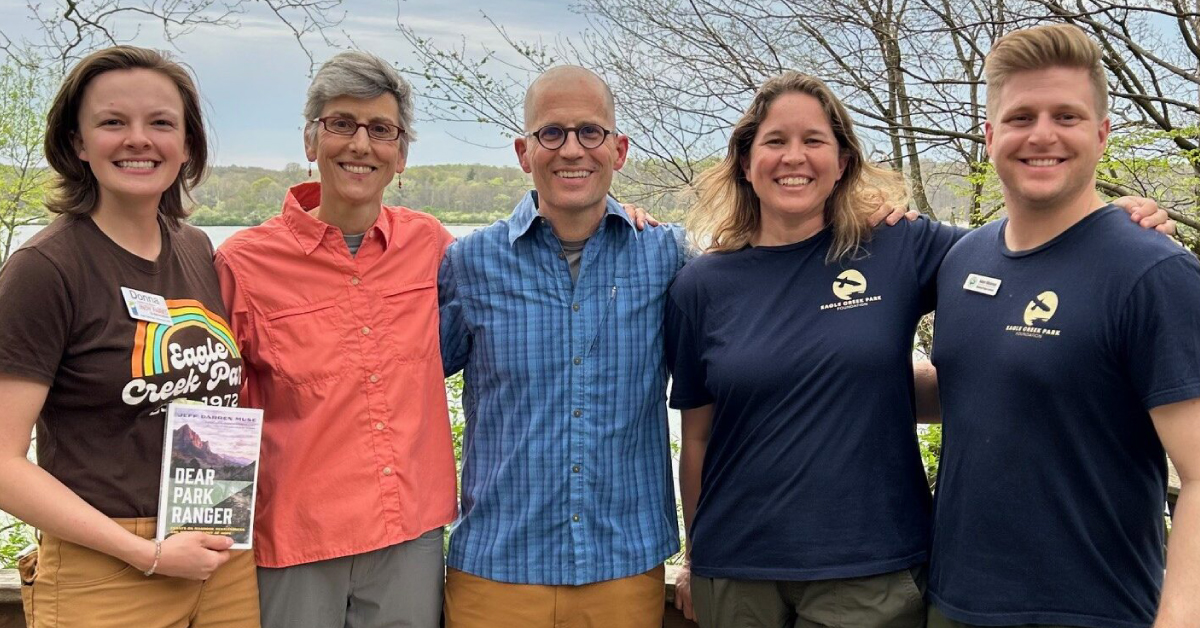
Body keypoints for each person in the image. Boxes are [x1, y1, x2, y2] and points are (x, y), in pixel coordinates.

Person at [665, 70, 1175, 628]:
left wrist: (1110, 218)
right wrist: (696, 557)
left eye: (814, 141)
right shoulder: (701, 286)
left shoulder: (899, 245)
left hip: (874, 568)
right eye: (775, 142)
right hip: (736, 570)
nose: (795, 157)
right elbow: (698, 437)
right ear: (744, 161)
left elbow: (1028, 252)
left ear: (842, 162)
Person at [927, 24, 1200, 628]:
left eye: (1067, 116)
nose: (1042, 135)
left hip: (1093, 610)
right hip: (952, 602)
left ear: (1102, 134)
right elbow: (977, 384)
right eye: (1021, 117)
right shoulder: (963, 260)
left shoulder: (1154, 272)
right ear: (991, 135)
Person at [0, 46, 258, 627]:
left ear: (187, 145)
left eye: (161, 123)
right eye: (113, 122)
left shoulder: (194, 248)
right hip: (110, 565)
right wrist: (149, 554)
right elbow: (2, 462)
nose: (138, 139)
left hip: (218, 549)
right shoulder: (45, 269)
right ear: (77, 143)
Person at [437, 65, 688, 628]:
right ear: (525, 152)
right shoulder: (468, 264)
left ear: (618, 150)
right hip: (495, 572)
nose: (571, 149)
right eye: (552, 133)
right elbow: (397, 379)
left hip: (624, 567)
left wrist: (863, 219)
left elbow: (768, 257)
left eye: (590, 132)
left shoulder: (668, 257)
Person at [215, 51, 452, 628]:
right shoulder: (242, 263)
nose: (361, 144)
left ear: (401, 154)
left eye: (381, 130)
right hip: (296, 542)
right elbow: (216, 411)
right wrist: (212, 539)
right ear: (310, 139)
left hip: (408, 536)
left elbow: (529, 253)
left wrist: (615, 216)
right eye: (341, 124)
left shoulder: (434, 247)